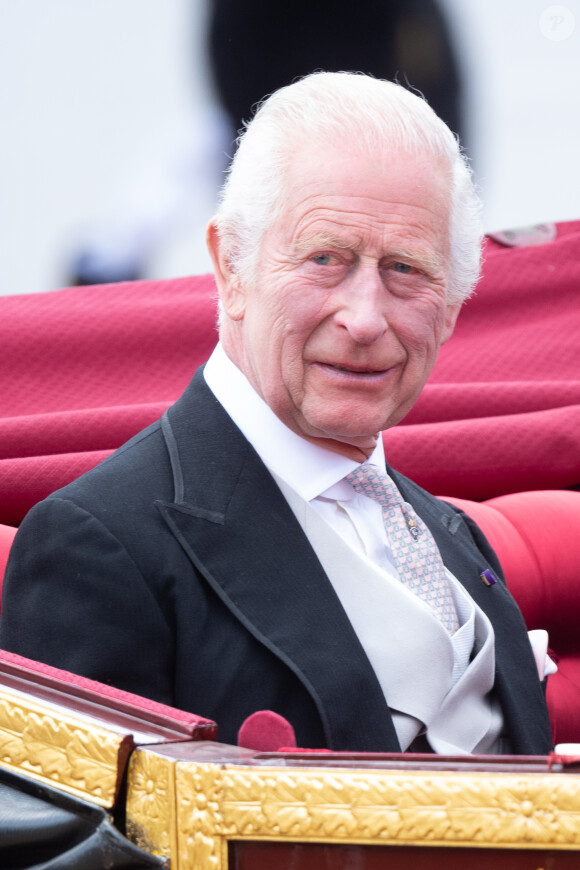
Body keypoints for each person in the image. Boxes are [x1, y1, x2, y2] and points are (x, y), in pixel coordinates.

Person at [0, 72, 552, 755]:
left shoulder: (458, 541)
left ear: (451, 309)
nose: (364, 318)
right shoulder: (97, 547)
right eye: (325, 259)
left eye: (406, 270)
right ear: (231, 267)